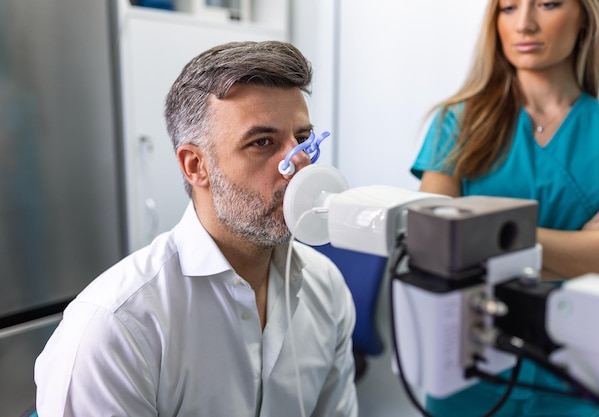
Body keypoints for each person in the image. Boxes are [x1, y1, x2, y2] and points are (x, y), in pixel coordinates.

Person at [34, 41, 358, 417]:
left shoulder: (326, 285)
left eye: (302, 139)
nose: (298, 163)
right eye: (263, 142)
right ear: (194, 166)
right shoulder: (117, 327)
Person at [411, 0, 599, 416]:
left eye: (548, 4)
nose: (525, 23)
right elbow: (435, 248)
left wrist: (488, 241)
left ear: (586, 16)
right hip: (468, 367)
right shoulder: (458, 123)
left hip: (575, 372)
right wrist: (583, 249)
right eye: (508, 7)